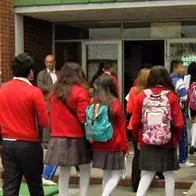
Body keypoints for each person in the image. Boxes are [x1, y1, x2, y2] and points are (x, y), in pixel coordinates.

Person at [0, 53, 48, 196]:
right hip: (29, 144)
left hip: (7, 144)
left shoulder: (2, 90)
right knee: (35, 186)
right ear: (30, 72)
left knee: (10, 187)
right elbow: (44, 121)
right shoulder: (34, 92)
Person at [132, 66, 184, 196]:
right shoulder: (171, 96)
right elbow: (179, 124)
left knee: (148, 173)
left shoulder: (142, 96)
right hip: (168, 140)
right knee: (168, 173)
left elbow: (135, 122)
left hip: (147, 140)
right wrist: (177, 139)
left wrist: (138, 139)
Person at [45, 62, 91, 196]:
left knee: (64, 172)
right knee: (84, 169)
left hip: (58, 136)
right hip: (76, 137)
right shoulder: (80, 91)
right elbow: (83, 116)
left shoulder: (54, 92)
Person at [92, 74, 129, 196]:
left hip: (100, 142)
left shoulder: (95, 103)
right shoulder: (115, 103)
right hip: (115, 143)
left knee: (106, 174)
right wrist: (126, 146)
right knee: (116, 175)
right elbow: (121, 127)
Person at [127, 68, 150, 192]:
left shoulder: (133, 91)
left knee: (137, 155)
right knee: (150, 153)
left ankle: (135, 183)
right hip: (148, 125)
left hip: (134, 125)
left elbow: (129, 110)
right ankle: (149, 178)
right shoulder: (150, 92)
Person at [37, 54, 59, 185]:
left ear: (54, 62)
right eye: (47, 62)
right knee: (47, 125)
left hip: (58, 104)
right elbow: (41, 86)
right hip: (48, 104)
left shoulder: (59, 73)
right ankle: (46, 143)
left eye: (51, 62)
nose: (49, 64)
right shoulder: (41, 74)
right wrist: (56, 88)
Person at [170, 60, 195, 167]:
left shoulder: (168, 79)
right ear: (175, 68)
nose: (183, 69)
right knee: (182, 135)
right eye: (181, 67)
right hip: (179, 111)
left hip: (170, 112)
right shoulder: (178, 81)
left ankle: (175, 158)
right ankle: (183, 159)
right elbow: (184, 97)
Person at [187, 62, 196, 154]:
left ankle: (193, 144)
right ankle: (194, 144)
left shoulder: (189, 81)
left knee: (194, 123)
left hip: (193, 106)